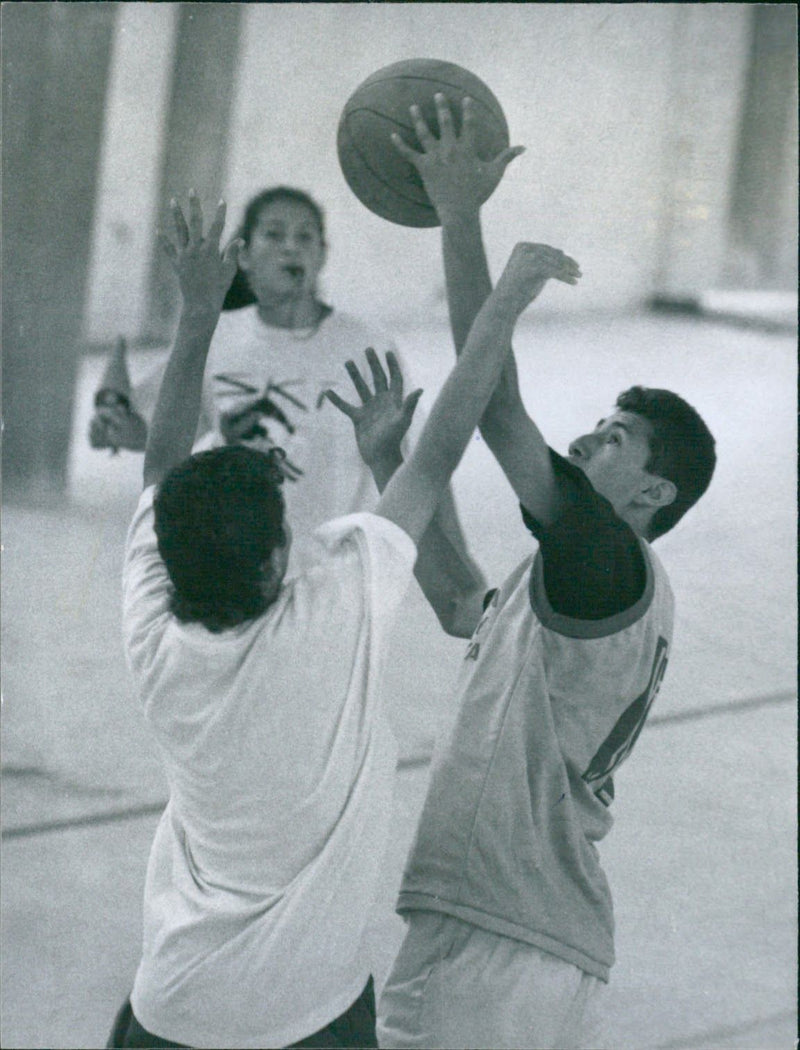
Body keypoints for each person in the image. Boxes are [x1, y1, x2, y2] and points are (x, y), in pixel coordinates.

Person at [106, 191, 574, 1048]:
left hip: (168, 1012)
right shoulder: (339, 614)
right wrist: (501, 305)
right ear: (277, 561)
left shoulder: (150, 628)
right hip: (308, 1023)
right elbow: (438, 451)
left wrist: (197, 313)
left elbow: (162, 465)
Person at [341, 96, 714, 1050]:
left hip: (496, 933)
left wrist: (459, 214)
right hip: (538, 942)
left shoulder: (606, 557)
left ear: (653, 493)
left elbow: (499, 409)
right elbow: (461, 598)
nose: (590, 435)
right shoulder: (591, 586)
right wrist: (392, 463)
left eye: (618, 439)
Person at [87, 184, 475, 574]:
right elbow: (160, 438)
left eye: (305, 236)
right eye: (274, 235)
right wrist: (114, 426)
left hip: (329, 574)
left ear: (322, 255)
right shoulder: (216, 334)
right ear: (244, 256)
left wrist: (460, 568)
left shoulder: (366, 344)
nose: (291, 247)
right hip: (231, 564)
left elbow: (422, 464)